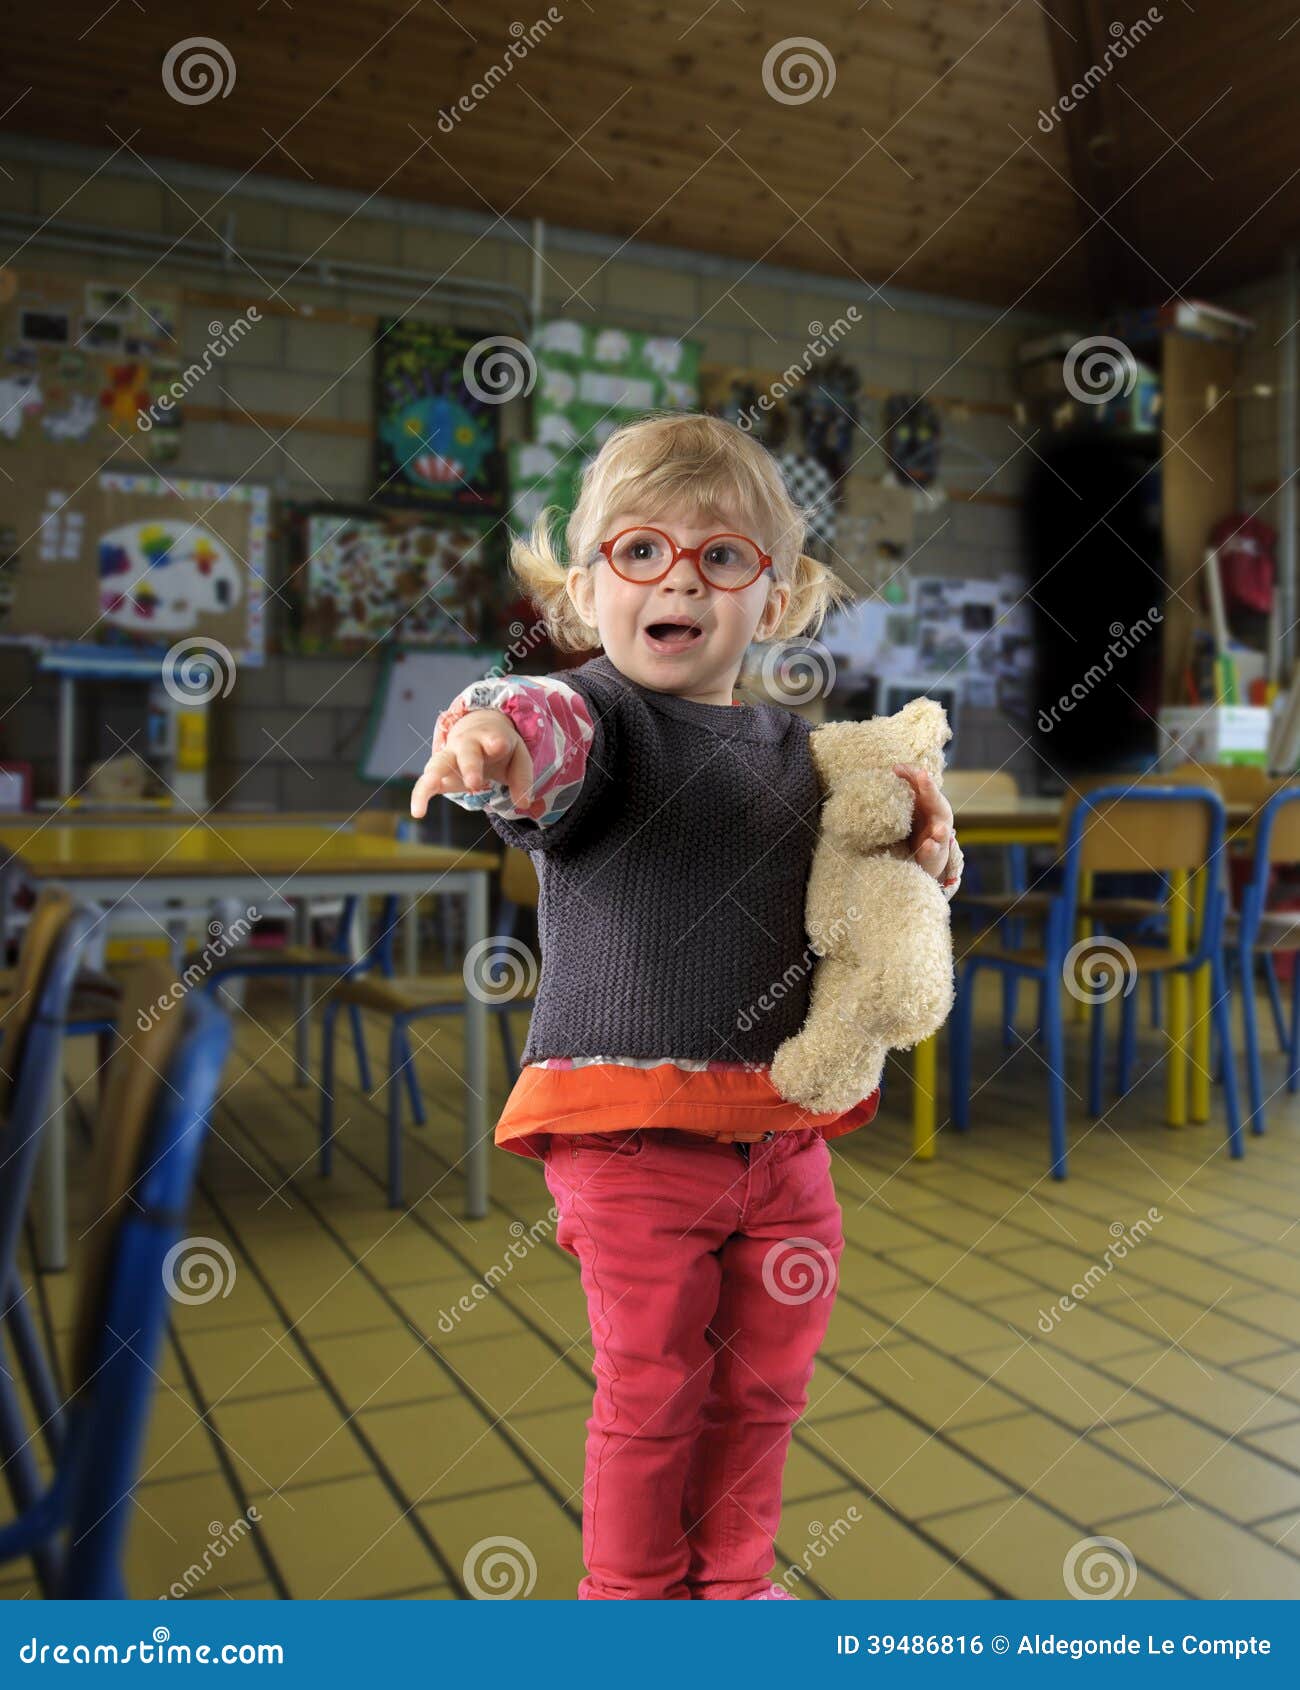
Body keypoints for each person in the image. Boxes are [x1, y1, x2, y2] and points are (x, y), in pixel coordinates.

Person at [411, 412, 962, 1600]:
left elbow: (858, 868)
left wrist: (924, 841)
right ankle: (630, 1602)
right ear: (586, 585)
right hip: (630, 1133)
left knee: (765, 1382)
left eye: (722, 557)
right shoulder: (600, 719)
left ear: (773, 596)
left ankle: (733, 1585)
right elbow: (541, 728)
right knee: (654, 1387)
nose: (680, 579)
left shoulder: (795, 748)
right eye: (640, 551)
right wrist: (489, 731)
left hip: (779, 1131)